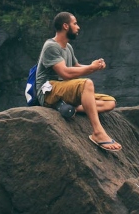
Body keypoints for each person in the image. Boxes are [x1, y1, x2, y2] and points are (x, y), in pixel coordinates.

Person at [36, 12, 122, 152]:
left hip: (64, 90)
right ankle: (98, 133)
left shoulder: (68, 47)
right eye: (75, 23)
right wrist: (90, 69)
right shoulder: (51, 46)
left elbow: (76, 67)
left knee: (110, 102)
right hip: (49, 90)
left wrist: (94, 67)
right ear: (65, 26)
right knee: (86, 84)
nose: (78, 27)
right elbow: (64, 72)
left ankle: (67, 107)